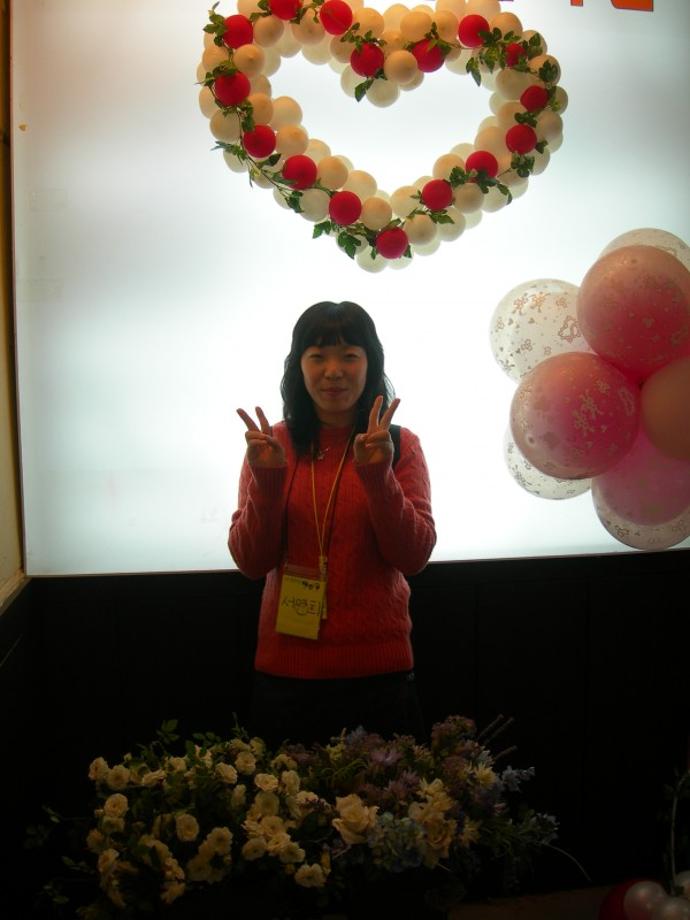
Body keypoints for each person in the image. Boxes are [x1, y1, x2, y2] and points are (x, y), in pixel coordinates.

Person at [229, 301, 436, 749]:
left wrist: (378, 475)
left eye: (349, 355)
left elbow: (413, 556)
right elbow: (250, 562)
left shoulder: (398, 444)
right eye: (318, 356)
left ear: (370, 363)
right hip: (286, 674)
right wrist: (267, 481)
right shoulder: (271, 446)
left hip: (379, 675)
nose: (334, 371)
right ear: (298, 367)